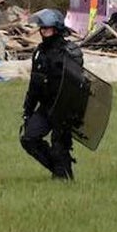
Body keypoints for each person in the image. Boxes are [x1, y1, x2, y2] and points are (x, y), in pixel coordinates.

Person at [21, 9, 81, 180]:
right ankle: (58, 170)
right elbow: (34, 84)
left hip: (64, 108)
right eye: (42, 28)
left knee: (59, 145)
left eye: (47, 28)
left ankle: (64, 178)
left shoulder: (71, 52)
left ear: (56, 28)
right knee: (29, 139)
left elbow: (78, 84)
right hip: (46, 106)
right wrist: (28, 110)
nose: (43, 31)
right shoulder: (39, 52)